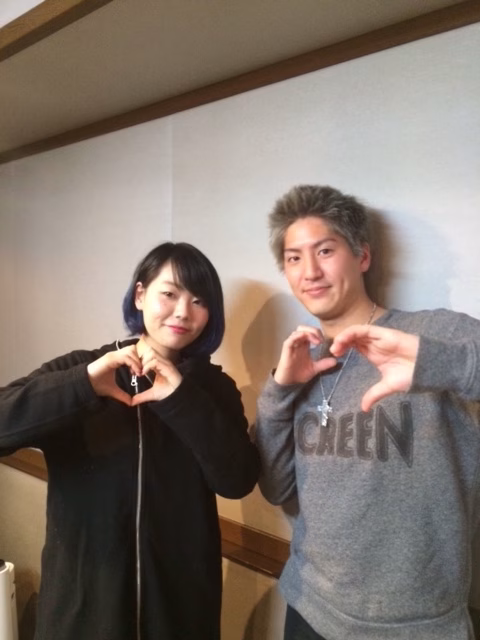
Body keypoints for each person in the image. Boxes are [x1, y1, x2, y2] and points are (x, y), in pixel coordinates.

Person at [0, 241, 259, 640]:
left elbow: (237, 480)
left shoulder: (215, 388)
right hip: (83, 611)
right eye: (169, 294)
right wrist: (84, 385)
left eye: (199, 301)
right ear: (140, 295)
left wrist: (182, 399)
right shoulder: (83, 368)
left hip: (179, 613)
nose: (183, 311)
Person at [254, 184, 480, 640]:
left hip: (419, 626)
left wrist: (435, 363)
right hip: (310, 608)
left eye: (325, 250)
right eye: (294, 258)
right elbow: (277, 488)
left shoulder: (432, 332)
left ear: (362, 256)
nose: (310, 271)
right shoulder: (301, 361)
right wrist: (280, 389)